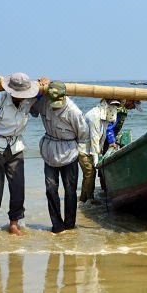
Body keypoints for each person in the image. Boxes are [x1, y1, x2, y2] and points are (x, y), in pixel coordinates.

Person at [0, 72, 47, 236]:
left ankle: (14, 224)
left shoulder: (29, 99)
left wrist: (44, 83)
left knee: (18, 188)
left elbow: (42, 93)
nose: (21, 97)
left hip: (16, 147)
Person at [31, 81, 89, 233]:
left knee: (70, 191)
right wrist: (39, 88)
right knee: (51, 189)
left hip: (69, 152)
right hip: (50, 151)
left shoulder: (73, 111)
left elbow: (84, 135)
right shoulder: (44, 102)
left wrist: (83, 155)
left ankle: (69, 225)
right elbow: (30, 106)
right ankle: (57, 226)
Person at [79, 99, 120, 203]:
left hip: (91, 148)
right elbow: (94, 138)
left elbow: (103, 136)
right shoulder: (95, 115)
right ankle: (88, 199)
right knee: (90, 172)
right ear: (105, 104)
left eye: (116, 106)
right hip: (83, 148)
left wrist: (100, 152)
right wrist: (97, 161)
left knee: (89, 174)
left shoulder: (105, 117)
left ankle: (84, 198)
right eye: (112, 106)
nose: (113, 109)